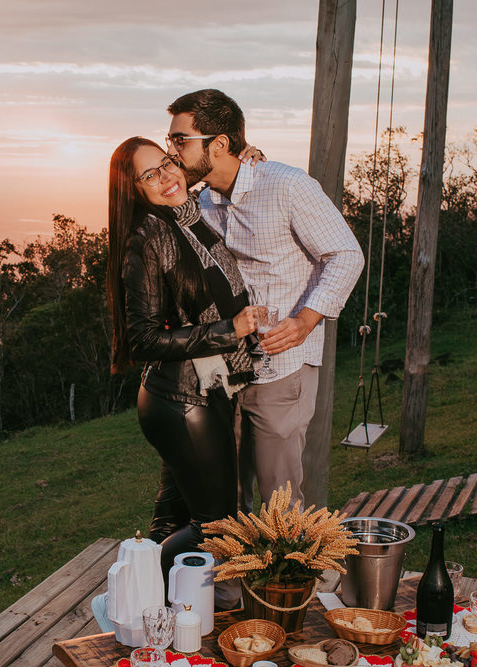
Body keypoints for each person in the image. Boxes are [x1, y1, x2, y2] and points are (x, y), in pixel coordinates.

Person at [166, 88, 365, 511]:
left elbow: (347, 255)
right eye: (171, 140)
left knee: (280, 501)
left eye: (180, 140)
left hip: (281, 366)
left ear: (219, 144)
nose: (172, 150)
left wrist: (305, 322)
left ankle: (290, 558)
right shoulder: (202, 201)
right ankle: (233, 559)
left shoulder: (287, 186)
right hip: (224, 370)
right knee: (226, 496)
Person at [107, 136, 259, 593]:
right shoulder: (147, 238)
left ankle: (149, 613)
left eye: (168, 163)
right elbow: (144, 338)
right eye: (150, 175)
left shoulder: (188, 217)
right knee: (218, 527)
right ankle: (136, 590)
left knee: (170, 521)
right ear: (134, 189)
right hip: (182, 401)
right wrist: (229, 330)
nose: (167, 176)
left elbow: (209, 170)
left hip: (196, 392)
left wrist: (243, 156)